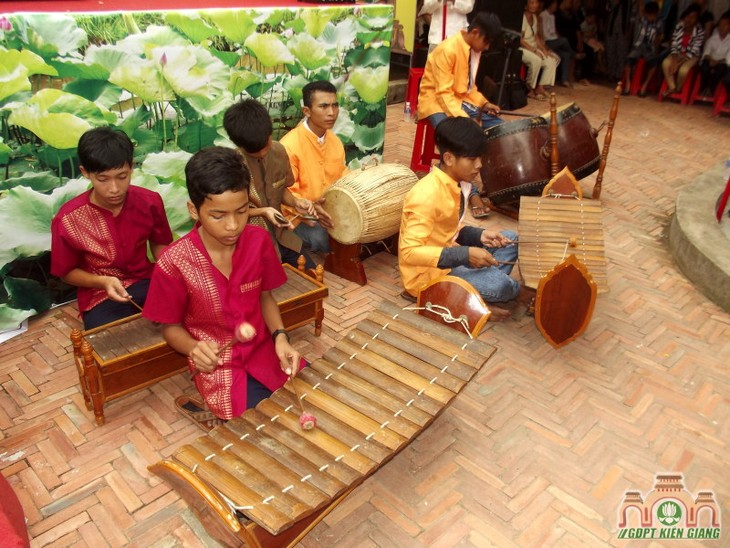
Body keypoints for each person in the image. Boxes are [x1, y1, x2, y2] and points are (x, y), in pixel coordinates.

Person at [142, 146, 301, 429]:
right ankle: (214, 411)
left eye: (241, 212)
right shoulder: (174, 262)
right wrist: (193, 348)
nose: (233, 226)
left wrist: (280, 337)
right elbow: (170, 327)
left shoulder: (258, 241)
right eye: (218, 215)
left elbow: (265, 297)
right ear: (194, 210)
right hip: (220, 366)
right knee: (264, 428)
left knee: (309, 397)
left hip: (264, 349)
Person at [51, 127, 173, 330]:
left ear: (132, 167)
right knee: (107, 337)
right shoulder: (68, 219)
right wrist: (104, 282)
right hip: (100, 295)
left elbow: (161, 246)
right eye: (103, 179)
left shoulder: (149, 202)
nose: (114, 188)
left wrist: (177, 274)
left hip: (147, 281)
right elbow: (66, 273)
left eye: (122, 176)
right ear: (85, 173)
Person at [399, 117, 520, 313]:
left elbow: (449, 228)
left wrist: (479, 235)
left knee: (511, 239)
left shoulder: (460, 182)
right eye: (472, 159)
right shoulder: (426, 195)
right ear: (448, 158)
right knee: (504, 287)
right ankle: (480, 289)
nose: (479, 165)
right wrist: (464, 255)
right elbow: (409, 252)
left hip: (448, 254)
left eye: (480, 157)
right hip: (427, 275)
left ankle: (474, 289)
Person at [223, 99, 317, 270]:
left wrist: (296, 202)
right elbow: (229, 214)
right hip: (251, 243)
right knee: (270, 290)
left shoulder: (279, 151)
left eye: (265, 146)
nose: (262, 153)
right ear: (239, 144)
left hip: (282, 236)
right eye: (255, 151)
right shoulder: (231, 166)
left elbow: (281, 191)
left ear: (270, 131)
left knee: (313, 277)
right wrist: (263, 211)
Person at [280, 80, 346, 255]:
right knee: (323, 238)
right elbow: (285, 193)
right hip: (300, 217)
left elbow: (343, 178)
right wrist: (310, 212)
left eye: (335, 105)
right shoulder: (290, 145)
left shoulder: (335, 141)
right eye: (323, 106)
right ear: (307, 111)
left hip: (329, 211)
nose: (331, 113)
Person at [520, 0, 561, 101]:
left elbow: (536, 37)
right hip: (523, 48)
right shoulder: (522, 18)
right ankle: (529, 89)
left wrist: (543, 49)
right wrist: (534, 50)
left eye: (536, 3)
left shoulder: (534, 17)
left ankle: (540, 88)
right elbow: (520, 40)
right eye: (531, 3)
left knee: (551, 60)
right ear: (526, 5)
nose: (534, 5)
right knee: (536, 60)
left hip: (534, 47)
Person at [661, 4, 705, 97]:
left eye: (692, 17)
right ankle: (672, 88)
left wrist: (677, 64)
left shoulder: (700, 31)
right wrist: (674, 60)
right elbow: (674, 44)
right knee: (665, 63)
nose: (689, 19)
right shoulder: (679, 26)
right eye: (688, 16)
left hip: (692, 56)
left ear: (696, 20)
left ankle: (678, 89)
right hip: (678, 53)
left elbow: (693, 51)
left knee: (683, 71)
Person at [622, 1, 664, 97]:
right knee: (629, 60)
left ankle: (644, 85)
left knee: (654, 64)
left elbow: (658, 37)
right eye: (649, 14)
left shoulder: (659, 22)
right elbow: (640, 6)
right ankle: (628, 83)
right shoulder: (643, 19)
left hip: (650, 48)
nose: (650, 17)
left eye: (652, 15)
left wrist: (656, 50)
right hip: (639, 46)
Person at [541, 0, 576, 87]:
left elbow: (555, 31)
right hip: (547, 42)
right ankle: (574, 54)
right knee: (564, 40)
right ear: (551, 4)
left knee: (566, 54)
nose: (556, 6)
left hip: (554, 40)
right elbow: (542, 34)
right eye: (555, 4)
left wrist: (558, 38)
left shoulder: (553, 16)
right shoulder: (542, 15)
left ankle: (564, 80)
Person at [698, 11, 730, 96]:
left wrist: (717, 61)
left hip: (722, 62)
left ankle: (711, 90)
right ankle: (703, 87)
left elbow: (728, 58)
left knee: (719, 70)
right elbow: (706, 53)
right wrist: (711, 60)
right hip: (710, 60)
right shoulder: (712, 38)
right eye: (720, 25)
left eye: (725, 25)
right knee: (704, 68)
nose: (722, 27)